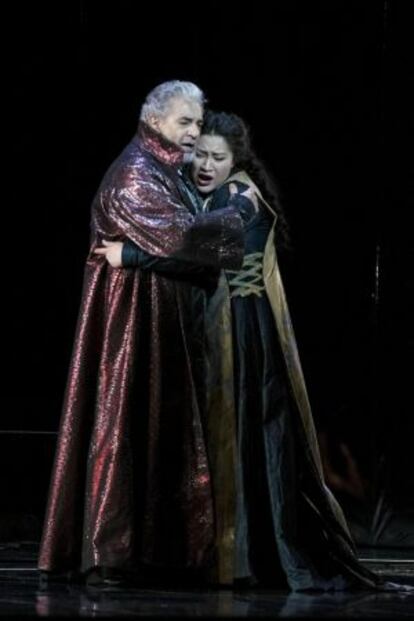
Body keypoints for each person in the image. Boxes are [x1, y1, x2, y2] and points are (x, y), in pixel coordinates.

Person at [100, 111, 411, 593]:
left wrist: (129, 257)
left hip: (244, 334)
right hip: (235, 328)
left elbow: (204, 255)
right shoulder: (220, 192)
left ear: (236, 159)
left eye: (216, 157)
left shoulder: (238, 197)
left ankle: (240, 557)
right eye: (199, 154)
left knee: (240, 440)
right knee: (235, 443)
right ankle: (225, 553)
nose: (205, 165)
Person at [38, 84, 254, 586]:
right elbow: (188, 240)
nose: (194, 132)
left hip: (158, 326)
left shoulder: (164, 167)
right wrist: (241, 210)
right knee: (125, 429)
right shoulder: (136, 175)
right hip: (131, 329)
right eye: (186, 122)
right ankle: (112, 554)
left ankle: (152, 553)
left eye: (198, 123)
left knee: (157, 434)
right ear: (155, 121)